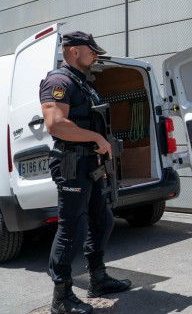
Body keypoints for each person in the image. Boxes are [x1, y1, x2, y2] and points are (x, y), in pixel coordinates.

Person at [40, 31, 131, 314]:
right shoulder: (58, 81)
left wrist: (101, 151)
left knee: (102, 220)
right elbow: (56, 124)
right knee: (72, 230)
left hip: (90, 164)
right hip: (71, 163)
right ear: (75, 51)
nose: (95, 56)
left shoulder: (83, 83)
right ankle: (62, 296)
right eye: (91, 51)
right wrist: (97, 139)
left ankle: (98, 278)